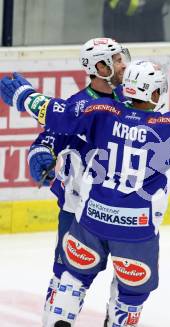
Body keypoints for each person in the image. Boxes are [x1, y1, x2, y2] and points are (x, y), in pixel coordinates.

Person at [0, 59, 170, 326]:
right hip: (136, 231)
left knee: (72, 279)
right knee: (130, 295)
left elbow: (56, 113)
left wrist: (23, 95)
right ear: (156, 92)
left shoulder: (101, 112)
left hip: (91, 221)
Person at [23, 37, 130, 325]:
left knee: (127, 278)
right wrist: (41, 157)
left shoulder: (131, 101)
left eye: (122, 58)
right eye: (118, 60)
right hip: (77, 208)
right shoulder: (78, 105)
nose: (124, 64)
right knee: (66, 276)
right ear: (100, 66)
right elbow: (44, 142)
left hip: (120, 209)